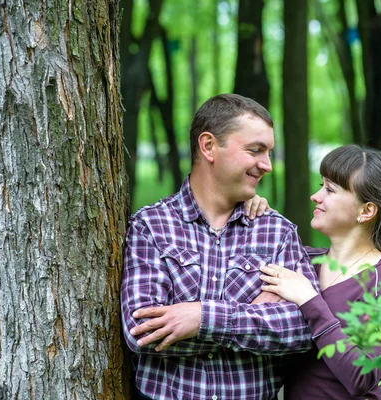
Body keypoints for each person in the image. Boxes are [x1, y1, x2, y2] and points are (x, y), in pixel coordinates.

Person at [121, 94, 320, 400]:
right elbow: (143, 332)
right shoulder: (152, 225)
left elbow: (305, 328)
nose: (267, 165)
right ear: (209, 146)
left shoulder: (277, 232)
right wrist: (255, 319)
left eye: (269, 152)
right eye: (255, 150)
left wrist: (200, 318)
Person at [257, 144, 381, 399]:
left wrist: (310, 301)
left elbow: (362, 376)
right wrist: (251, 209)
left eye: (330, 189)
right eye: (321, 185)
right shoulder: (304, 261)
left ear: (366, 210)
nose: (316, 196)